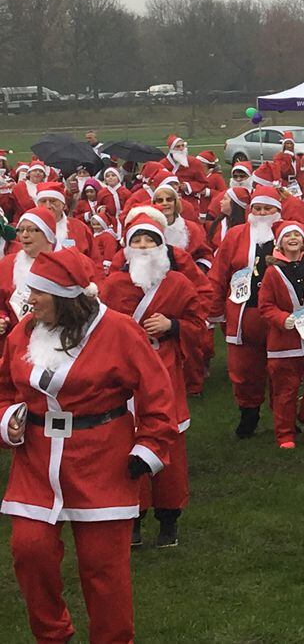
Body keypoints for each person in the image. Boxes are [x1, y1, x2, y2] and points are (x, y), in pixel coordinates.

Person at [0, 248, 176, 643]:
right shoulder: (23, 332)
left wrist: (149, 448)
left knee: (103, 568)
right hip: (38, 459)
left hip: (103, 459)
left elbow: (157, 392)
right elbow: (5, 389)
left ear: (66, 298)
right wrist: (6, 421)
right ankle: (52, 634)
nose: (30, 300)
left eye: (38, 293)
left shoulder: (117, 330)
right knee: (29, 552)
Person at [101, 212, 205, 548]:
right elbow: (98, 331)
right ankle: (132, 515)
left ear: (162, 246)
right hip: (124, 381)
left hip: (165, 376)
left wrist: (173, 326)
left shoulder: (178, 284)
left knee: (168, 444)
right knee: (125, 444)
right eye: (137, 241)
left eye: (150, 240)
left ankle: (169, 517)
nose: (144, 247)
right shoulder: (113, 286)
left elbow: (199, 327)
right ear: (127, 247)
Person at [208, 185, 282, 438]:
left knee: (282, 368)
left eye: (267, 208)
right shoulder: (236, 235)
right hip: (244, 313)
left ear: (277, 211)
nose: (261, 213)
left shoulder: (289, 233)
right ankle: (248, 415)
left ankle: (284, 419)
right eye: (257, 208)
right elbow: (218, 274)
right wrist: (216, 309)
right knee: (244, 369)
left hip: (279, 315)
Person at [257, 221, 304, 448]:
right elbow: (265, 305)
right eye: (287, 236)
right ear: (280, 243)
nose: (292, 239)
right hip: (284, 342)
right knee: (284, 389)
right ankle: (285, 432)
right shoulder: (271, 273)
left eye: (296, 235)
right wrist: (282, 319)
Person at [0, 209, 59, 339]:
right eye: (20, 230)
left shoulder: (68, 263)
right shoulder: (7, 264)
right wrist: (2, 318)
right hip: (15, 341)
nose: (24, 235)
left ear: (48, 233)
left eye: (31, 230)